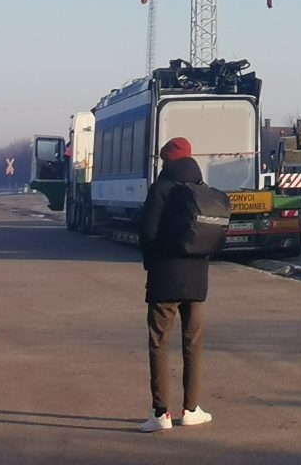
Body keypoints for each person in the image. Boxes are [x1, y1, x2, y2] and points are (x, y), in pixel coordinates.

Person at [136, 137, 212, 433]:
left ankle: (160, 414)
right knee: (192, 343)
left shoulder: (161, 189)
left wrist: (151, 263)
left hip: (165, 277)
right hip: (197, 279)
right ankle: (191, 409)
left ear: (166, 160)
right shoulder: (201, 189)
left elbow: (148, 233)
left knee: (159, 342)